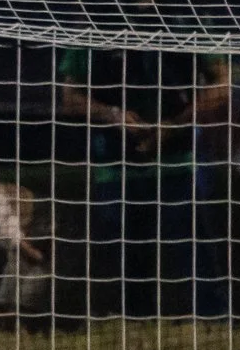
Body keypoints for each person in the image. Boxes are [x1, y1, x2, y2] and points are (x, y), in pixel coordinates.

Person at [56, 36, 228, 319]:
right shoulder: (94, 21)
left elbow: (223, 82)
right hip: (115, 165)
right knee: (125, 260)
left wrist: (174, 125)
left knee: (193, 254)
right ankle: (131, 323)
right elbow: (69, 95)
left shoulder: (185, 17)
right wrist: (111, 114)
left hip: (179, 164)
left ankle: (211, 323)